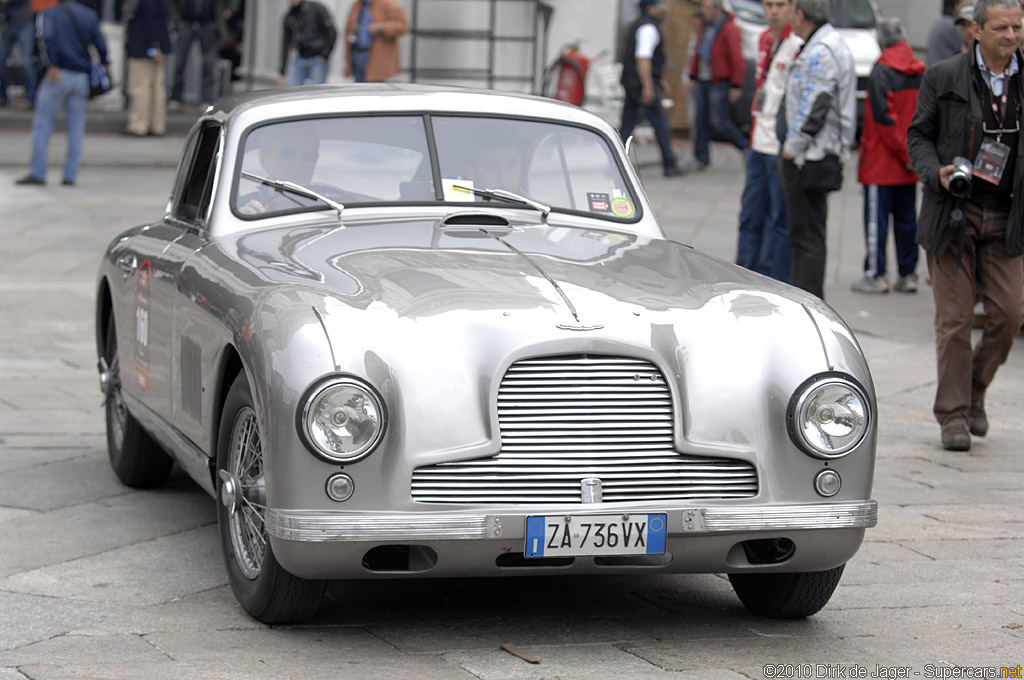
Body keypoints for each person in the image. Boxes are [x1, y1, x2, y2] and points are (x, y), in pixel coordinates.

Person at [907, 0, 1024, 452]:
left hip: (1008, 213)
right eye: (1001, 27)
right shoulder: (944, 75)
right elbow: (918, 135)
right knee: (954, 321)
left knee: (1009, 314)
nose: (1011, 35)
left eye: (1017, 26)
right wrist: (933, 170)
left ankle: (974, 389)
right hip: (952, 213)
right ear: (976, 29)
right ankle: (953, 415)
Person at [778, 0, 856, 300]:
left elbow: (816, 105)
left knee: (807, 236)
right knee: (806, 234)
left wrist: (791, 147)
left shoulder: (822, 51)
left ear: (800, 15)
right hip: (811, 153)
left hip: (810, 156)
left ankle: (808, 301)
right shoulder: (822, 45)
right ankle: (804, 298)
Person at [851, 18, 924, 295]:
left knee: (876, 222)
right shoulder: (919, 68)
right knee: (907, 219)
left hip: (882, 161)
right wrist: (912, 154)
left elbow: (883, 118)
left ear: (880, 41)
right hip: (908, 162)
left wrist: (902, 151)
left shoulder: (882, 70)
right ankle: (908, 273)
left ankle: (876, 273)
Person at [734, 0, 801, 282]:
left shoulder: (797, 44)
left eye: (780, 5)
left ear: (792, 7)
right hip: (757, 141)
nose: (774, 11)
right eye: (769, 4)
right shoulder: (764, 39)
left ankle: (775, 280)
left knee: (778, 220)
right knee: (749, 216)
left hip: (778, 144)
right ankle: (742, 273)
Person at [14, 0, 107, 186]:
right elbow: (100, 43)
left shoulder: (50, 13)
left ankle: (38, 172)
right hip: (81, 77)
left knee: (43, 125)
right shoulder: (88, 14)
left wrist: (49, 65)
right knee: (76, 128)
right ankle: (70, 175)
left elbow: (45, 39)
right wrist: (103, 63)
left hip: (57, 75)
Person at [618, 0, 684, 177]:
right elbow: (643, 59)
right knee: (660, 123)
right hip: (640, 84)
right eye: (660, 6)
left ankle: (614, 163)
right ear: (650, 8)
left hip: (633, 82)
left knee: (627, 124)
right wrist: (648, 86)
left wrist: (659, 80)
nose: (664, 10)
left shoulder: (639, 25)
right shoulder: (649, 28)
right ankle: (670, 164)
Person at [687, 0, 748, 170]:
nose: (703, 11)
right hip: (703, 79)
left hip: (719, 81)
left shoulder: (729, 28)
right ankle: (701, 157)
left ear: (717, 8)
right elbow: (698, 53)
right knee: (700, 120)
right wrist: (692, 75)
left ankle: (744, 145)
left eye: (706, 7)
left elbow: (737, 58)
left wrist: (736, 84)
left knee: (718, 120)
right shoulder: (705, 27)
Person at [238, 126, 320, 214]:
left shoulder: (330, 206)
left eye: (308, 155)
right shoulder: (238, 209)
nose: (298, 163)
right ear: (264, 158)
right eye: (287, 153)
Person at [123, 0, 172, 137]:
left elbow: (150, 19)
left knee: (139, 87)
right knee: (156, 87)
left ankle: (139, 124)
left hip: (142, 47)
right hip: (155, 46)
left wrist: (154, 45)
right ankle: (156, 124)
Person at [168, 0, 223, 108]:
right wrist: (176, 19)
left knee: (208, 64)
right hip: (186, 21)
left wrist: (227, 12)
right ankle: (176, 97)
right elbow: (173, 3)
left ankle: (206, 99)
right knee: (180, 62)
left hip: (208, 23)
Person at [343, 0, 407, 83]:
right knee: (359, 90)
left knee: (373, 89)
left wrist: (381, 27)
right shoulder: (357, 5)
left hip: (374, 56)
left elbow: (403, 25)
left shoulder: (387, 3)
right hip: (356, 54)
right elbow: (348, 30)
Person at [279, 0, 336, 87]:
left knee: (316, 92)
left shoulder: (317, 9)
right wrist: (283, 72)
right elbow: (285, 43)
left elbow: (332, 32)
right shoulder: (290, 16)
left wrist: (325, 54)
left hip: (318, 58)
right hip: (300, 57)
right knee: (291, 89)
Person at [0, 0, 37, 108]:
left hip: (24, 22)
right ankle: (3, 97)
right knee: (1, 61)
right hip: (9, 23)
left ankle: (32, 98)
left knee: (26, 62)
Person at [927, 0, 972, 66]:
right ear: (956, 5)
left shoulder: (941, 22)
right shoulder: (952, 25)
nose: (969, 31)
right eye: (964, 26)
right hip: (943, 71)